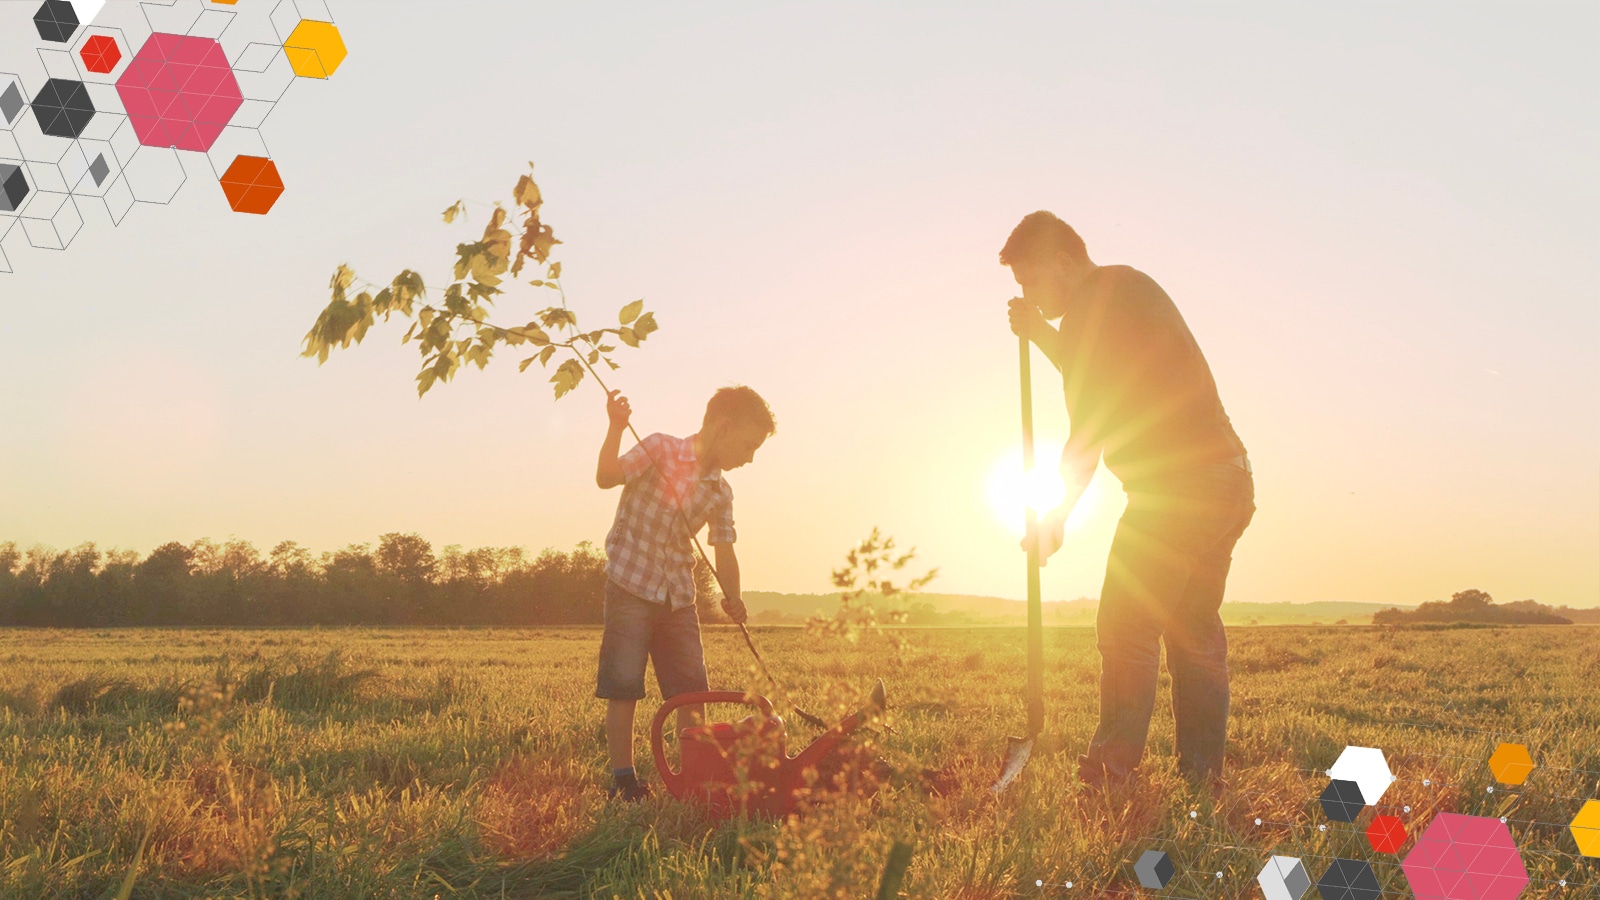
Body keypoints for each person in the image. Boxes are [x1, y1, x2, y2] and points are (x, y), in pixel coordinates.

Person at [1002, 211, 1255, 790]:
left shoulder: (1093, 308)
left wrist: (1056, 517)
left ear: (1063, 262)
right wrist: (1041, 334)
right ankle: (1202, 777)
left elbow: (1090, 424)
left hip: (1179, 489)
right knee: (1194, 635)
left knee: (1125, 625)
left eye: (1032, 281)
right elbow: (1099, 370)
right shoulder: (1124, 290)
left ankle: (1110, 774)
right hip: (1227, 478)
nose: (1030, 295)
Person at [593, 385, 774, 801]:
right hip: (630, 585)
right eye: (748, 446)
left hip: (678, 597)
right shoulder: (658, 448)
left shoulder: (720, 492)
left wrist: (734, 597)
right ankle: (624, 781)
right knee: (624, 685)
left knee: (691, 692)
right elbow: (606, 477)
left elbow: (724, 549)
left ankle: (696, 777)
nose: (749, 458)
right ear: (723, 427)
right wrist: (616, 427)